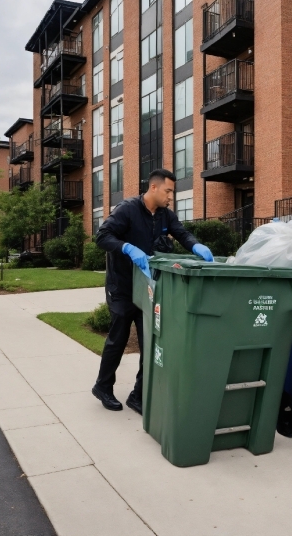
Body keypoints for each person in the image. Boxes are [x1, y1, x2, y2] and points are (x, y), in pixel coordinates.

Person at [92, 169, 214, 414]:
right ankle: (103, 387)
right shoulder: (127, 209)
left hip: (147, 287)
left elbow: (182, 233)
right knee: (119, 338)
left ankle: (138, 395)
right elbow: (102, 236)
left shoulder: (165, 216)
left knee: (150, 340)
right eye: (168, 191)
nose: (171, 196)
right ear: (154, 188)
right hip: (123, 286)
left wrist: (196, 245)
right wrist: (127, 247)